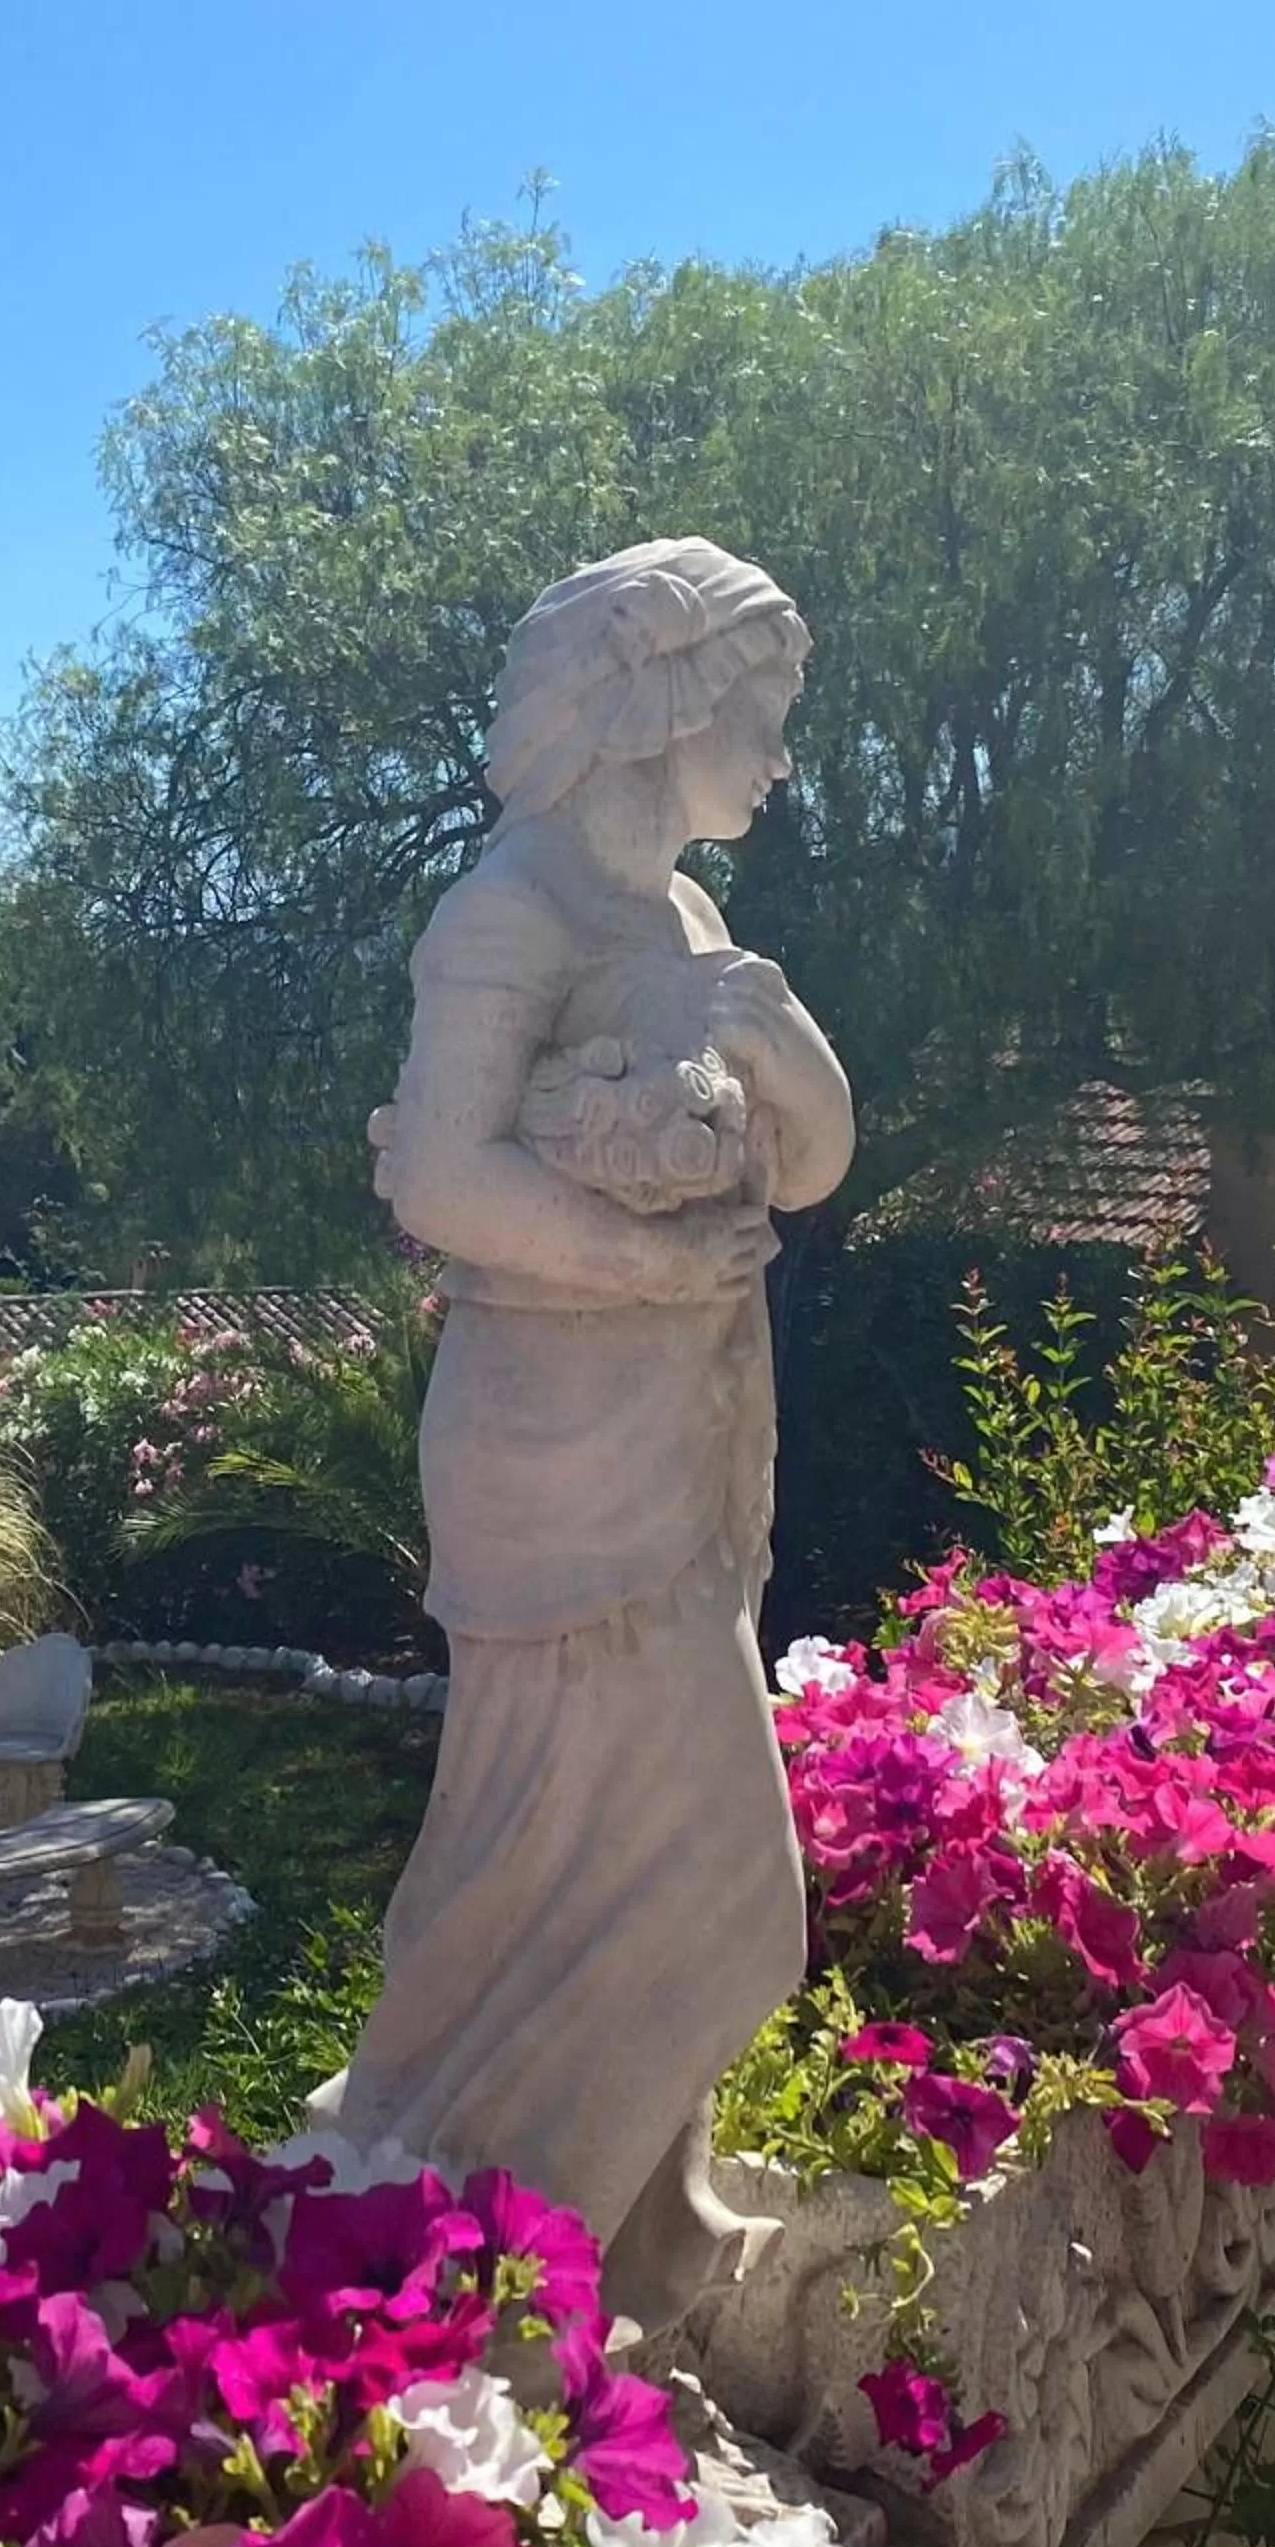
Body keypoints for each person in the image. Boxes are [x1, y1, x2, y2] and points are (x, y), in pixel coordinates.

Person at [309, 538, 857, 2328]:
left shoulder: (690, 925)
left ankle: (623, 2237)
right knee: (691, 1878)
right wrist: (648, 1260)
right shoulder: (510, 914)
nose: (780, 756)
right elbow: (443, 1175)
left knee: (595, 1855)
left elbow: (817, 1162)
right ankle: (493, 2262)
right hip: (554, 1448)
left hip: (685, 1428)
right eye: (761, 715)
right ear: (664, 709)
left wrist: (779, 1038)